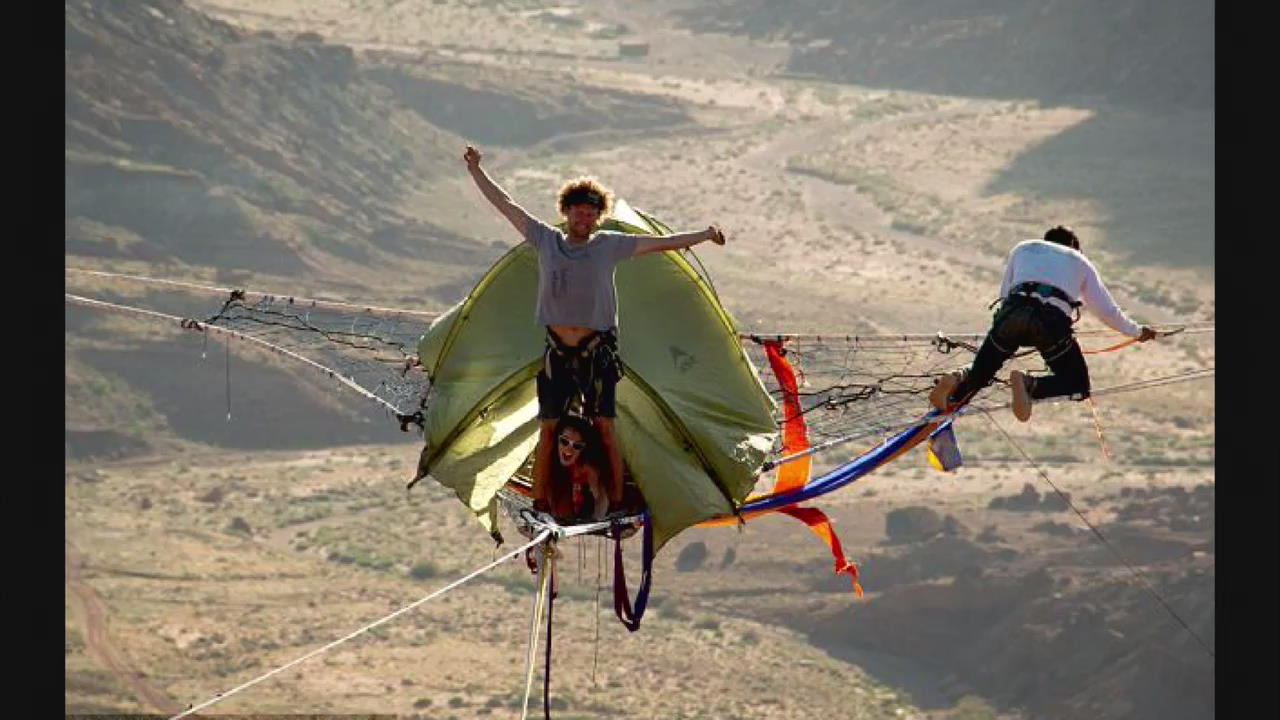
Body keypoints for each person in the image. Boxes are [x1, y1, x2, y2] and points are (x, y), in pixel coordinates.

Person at [463, 144, 726, 514]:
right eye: (578, 212)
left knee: (604, 426)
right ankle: (541, 504)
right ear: (566, 211)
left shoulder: (607, 247)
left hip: (597, 351)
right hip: (558, 351)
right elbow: (505, 204)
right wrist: (476, 170)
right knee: (550, 428)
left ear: (597, 217)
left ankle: (615, 503)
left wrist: (703, 235)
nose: (584, 219)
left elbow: (661, 244)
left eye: (590, 214)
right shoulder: (545, 240)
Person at [930, 225, 1157, 421]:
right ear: (1074, 247)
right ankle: (1029, 384)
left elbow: (1004, 294)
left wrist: (1001, 338)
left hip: (1012, 314)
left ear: (1046, 241)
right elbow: (1106, 311)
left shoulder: (1023, 248)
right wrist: (1137, 332)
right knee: (1077, 384)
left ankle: (958, 378)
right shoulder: (1079, 260)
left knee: (984, 370)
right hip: (1049, 323)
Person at [544, 414, 612, 521]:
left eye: (577, 446)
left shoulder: (588, 468)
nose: (569, 450)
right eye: (564, 441)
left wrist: (596, 520)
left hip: (586, 514)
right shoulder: (549, 463)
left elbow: (601, 497)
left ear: (583, 449)